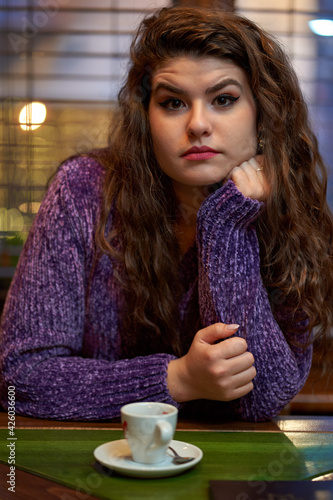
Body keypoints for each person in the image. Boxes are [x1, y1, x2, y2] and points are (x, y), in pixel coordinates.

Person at [0, 6, 332, 422]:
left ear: (263, 115)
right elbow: (22, 378)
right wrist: (177, 380)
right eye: (173, 102)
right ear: (147, 118)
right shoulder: (83, 190)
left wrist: (226, 224)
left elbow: (261, 397)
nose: (197, 124)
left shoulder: (287, 215)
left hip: (229, 475)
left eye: (223, 100)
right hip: (89, 467)